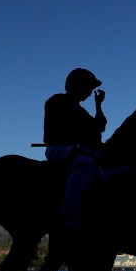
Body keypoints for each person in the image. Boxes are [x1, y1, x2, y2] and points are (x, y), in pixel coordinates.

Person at [43, 68, 107, 240]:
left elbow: (99, 128)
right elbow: (80, 130)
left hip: (79, 149)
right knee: (85, 163)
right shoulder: (57, 101)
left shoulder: (79, 109)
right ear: (77, 86)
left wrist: (98, 105)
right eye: (87, 88)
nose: (88, 93)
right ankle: (70, 214)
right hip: (59, 149)